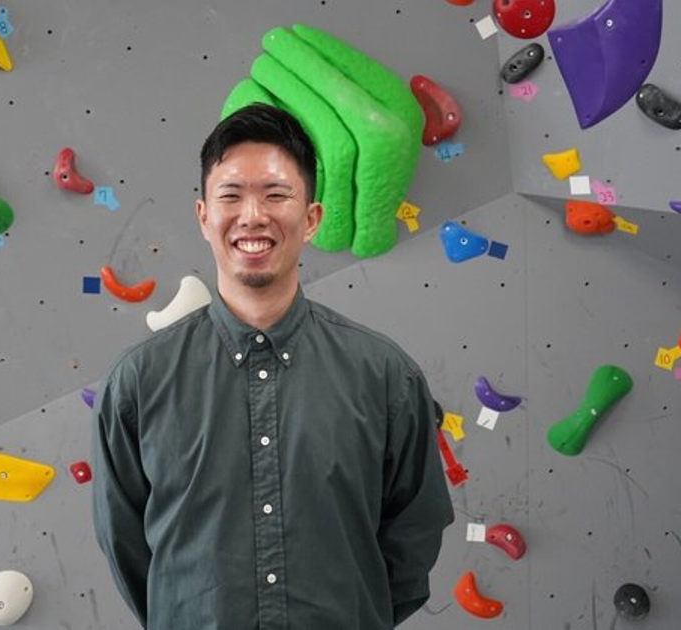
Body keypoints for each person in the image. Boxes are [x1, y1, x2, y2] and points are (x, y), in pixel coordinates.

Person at [92, 103, 454, 629]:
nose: (253, 216)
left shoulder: (384, 377)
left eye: (276, 195)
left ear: (311, 220)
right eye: (231, 196)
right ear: (203, 217)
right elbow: (126, 547)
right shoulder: (138, 384)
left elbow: (413, 538)